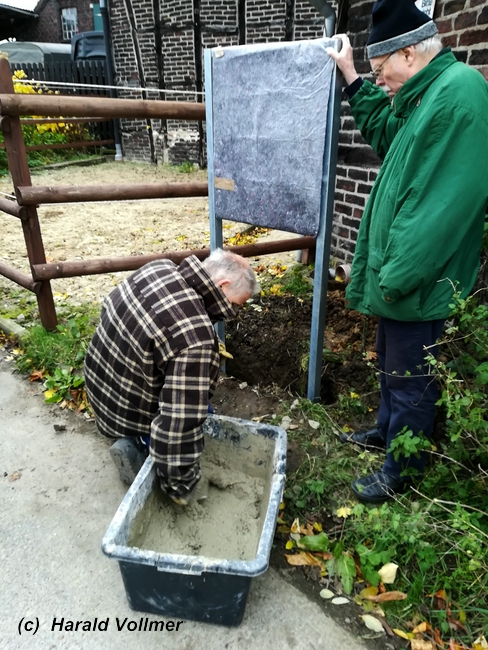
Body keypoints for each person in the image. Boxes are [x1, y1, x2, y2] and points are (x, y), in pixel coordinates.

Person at [326, 0, 488, 503]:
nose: (379, 83)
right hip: (401, 275)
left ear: (410, 54)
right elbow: (387, 134)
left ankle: (404, 469)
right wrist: (351, 76)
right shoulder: (427, 95)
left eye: (380, 71)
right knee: (393, 363)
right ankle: (388, 430)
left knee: (410, 374)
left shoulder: (457, 99)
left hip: (416, 278)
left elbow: (437, 210)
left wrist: (393, 276)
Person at [84, 249, 259, 505]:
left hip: (100, 386)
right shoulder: (196, 339)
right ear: (223, 285)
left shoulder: (158, 268)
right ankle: (137, 446)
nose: (231, 313)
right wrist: (182, 487)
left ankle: (136, 438)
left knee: (191, 393)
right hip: (123, 414)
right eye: (234, 305)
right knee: (193, 413)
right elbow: (178, 424)